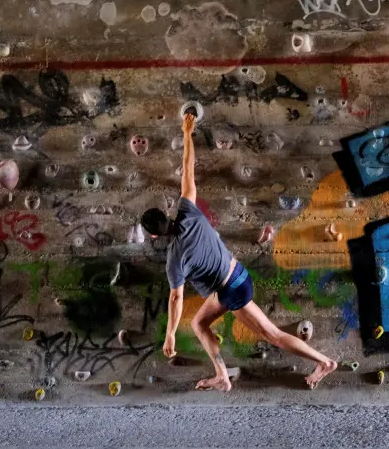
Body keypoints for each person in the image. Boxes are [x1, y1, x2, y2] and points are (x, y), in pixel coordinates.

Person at [140, 111, 338, 391]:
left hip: (233, 289)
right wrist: (187, 133)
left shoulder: (175, 258)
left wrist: (170, 334)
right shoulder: (187, 211)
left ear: (154, 235)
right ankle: (221, 375)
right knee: (200, 324)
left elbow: (175, 298)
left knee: (273, 335)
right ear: (166, 215)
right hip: (233, 279)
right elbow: (188, 168)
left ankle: (325, 362)